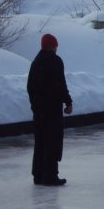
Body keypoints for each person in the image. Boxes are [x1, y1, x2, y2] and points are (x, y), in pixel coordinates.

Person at [27, 34, 73, 186]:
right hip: (52, 109)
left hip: (38, 111)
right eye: (55, 45)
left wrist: (35, 104)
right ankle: (50, 176)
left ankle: (38, 175)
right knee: (52, 141)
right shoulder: (55, 61)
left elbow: (29, 87)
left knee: (40, 141)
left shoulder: (35, 62)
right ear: (52, 46)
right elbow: (60, 84)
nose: (56, 48)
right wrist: (68, 101)